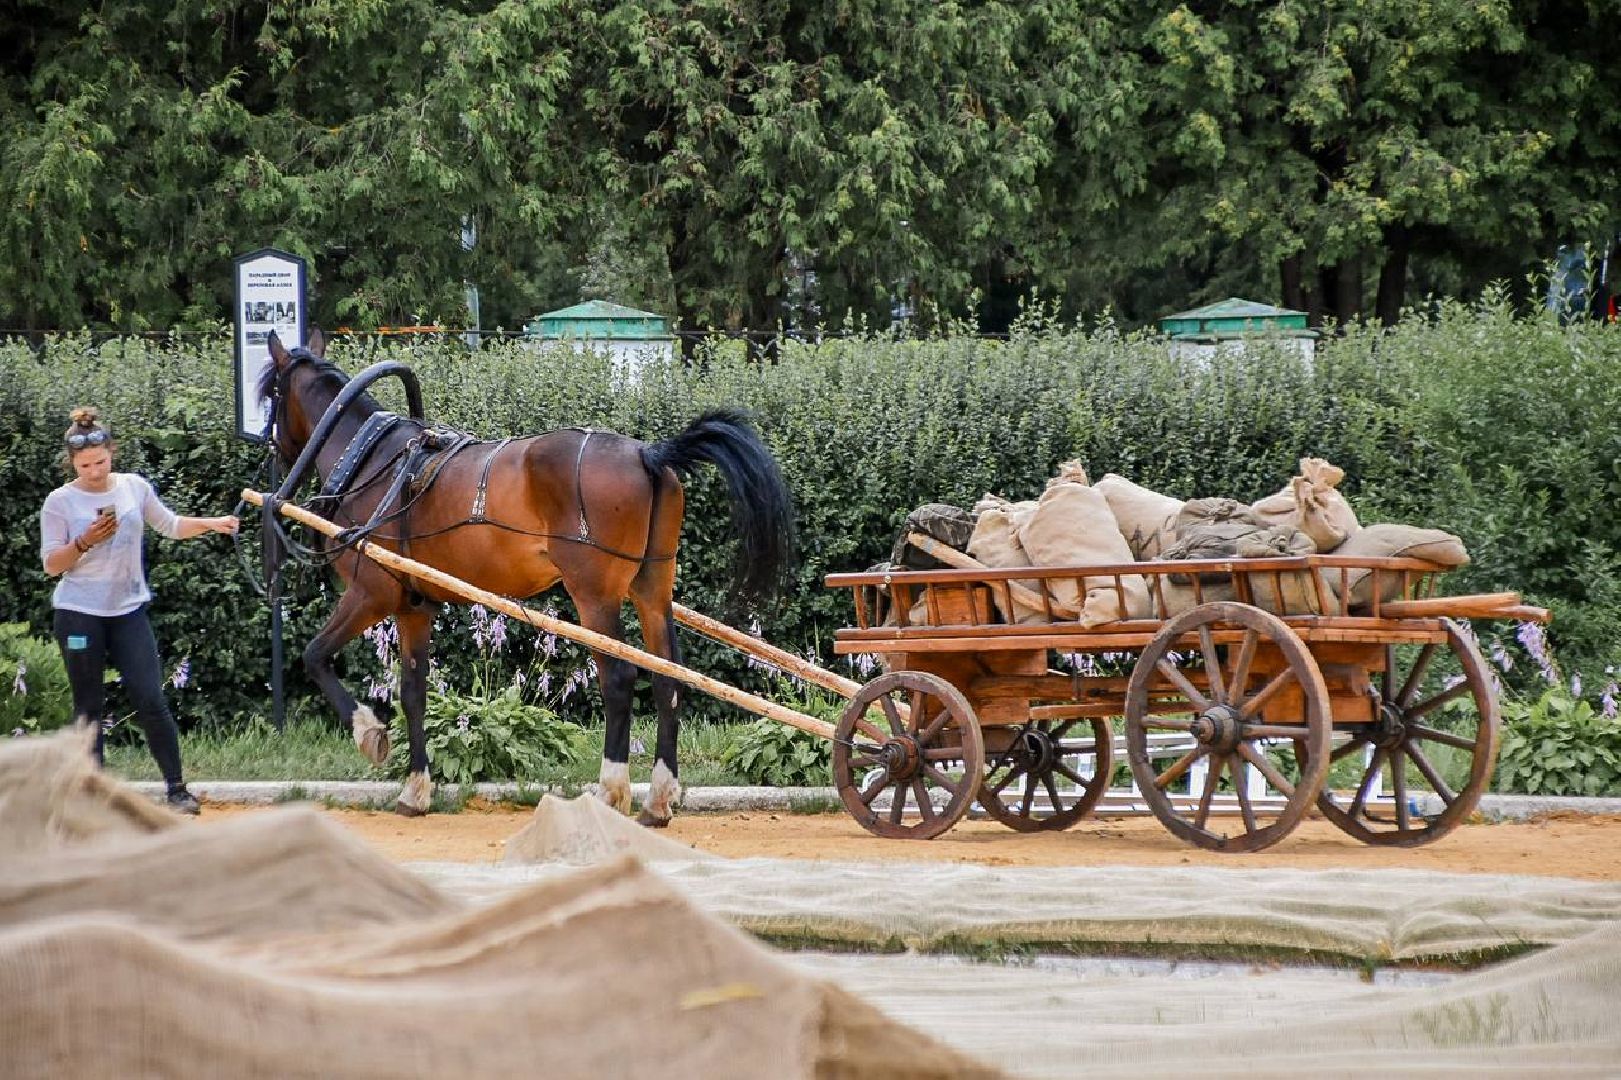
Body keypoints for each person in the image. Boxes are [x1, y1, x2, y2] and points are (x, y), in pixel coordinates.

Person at [39, 407, 240, 815]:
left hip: (128, 610)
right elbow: (51, 565)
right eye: (84, 465)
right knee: (88, 705)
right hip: (79, 612)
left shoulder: (133, 487)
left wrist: (213, 522)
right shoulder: (59, 501)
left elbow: (171, 524)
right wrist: (83, 541)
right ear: (72, 463)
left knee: (151, 697)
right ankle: (93, 798)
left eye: (100, 461)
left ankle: (178, 789)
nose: (94, 471)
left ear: (111, 452)